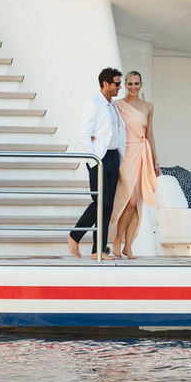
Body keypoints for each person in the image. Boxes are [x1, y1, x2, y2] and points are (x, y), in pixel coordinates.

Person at [68, 67, 125, 260]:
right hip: (99, 159)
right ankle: (74, 236)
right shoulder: (93, 104)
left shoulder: (113, 105)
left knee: (108, 207)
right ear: (106, 84)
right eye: (116, 84)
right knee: (100, 202)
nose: (119, 87)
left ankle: (97, 250)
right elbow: (84, 136)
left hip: (113, 157)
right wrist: (95, 159)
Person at [110, 71, 162, 259]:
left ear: (141, 84)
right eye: (130, 83)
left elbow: (150, 135)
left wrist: (155, 160)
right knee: (129, 201)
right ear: (124, 85)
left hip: (142, 154)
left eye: (136, 83)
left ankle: (128, 246)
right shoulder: (117, 105)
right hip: (125, 154)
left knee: (137, 204)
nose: (133, 87)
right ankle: (117, 242)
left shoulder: (149, 107)